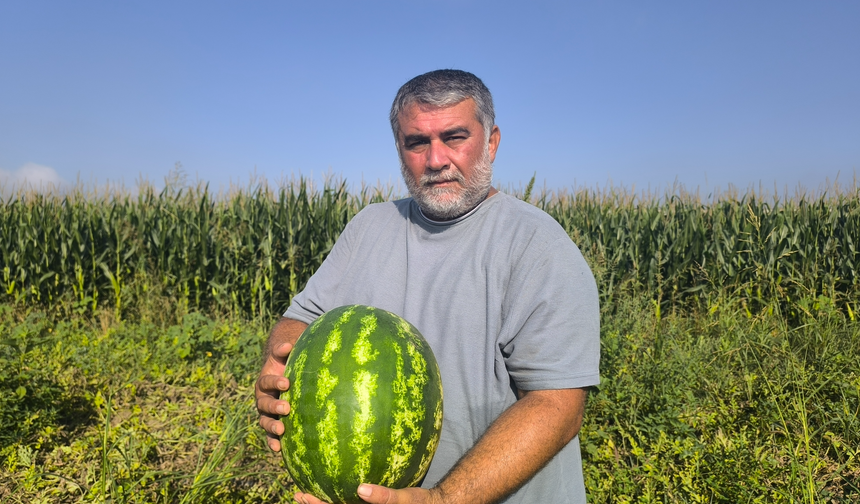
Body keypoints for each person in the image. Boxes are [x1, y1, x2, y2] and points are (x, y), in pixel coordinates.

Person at [255, 69, 600, 504]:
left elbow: (557, 407)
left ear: (491, 142)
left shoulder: (537, 247)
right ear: (400, 150)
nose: (435, 160)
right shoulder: (369, 227)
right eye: (417, 142)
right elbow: (300, 320)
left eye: (454, 137)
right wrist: (275, 368)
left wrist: (445, 499)